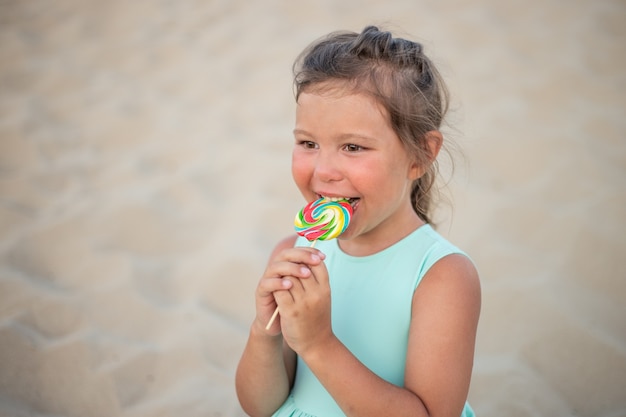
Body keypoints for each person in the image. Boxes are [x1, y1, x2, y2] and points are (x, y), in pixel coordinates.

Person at [236, 25, 481, 417]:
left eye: (353, 147)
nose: (325, 170)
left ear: (421, 154)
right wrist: (265, 334)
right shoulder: (293, 253)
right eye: (308, 143)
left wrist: (318, 344)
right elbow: (260, 405)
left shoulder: (441, 276)